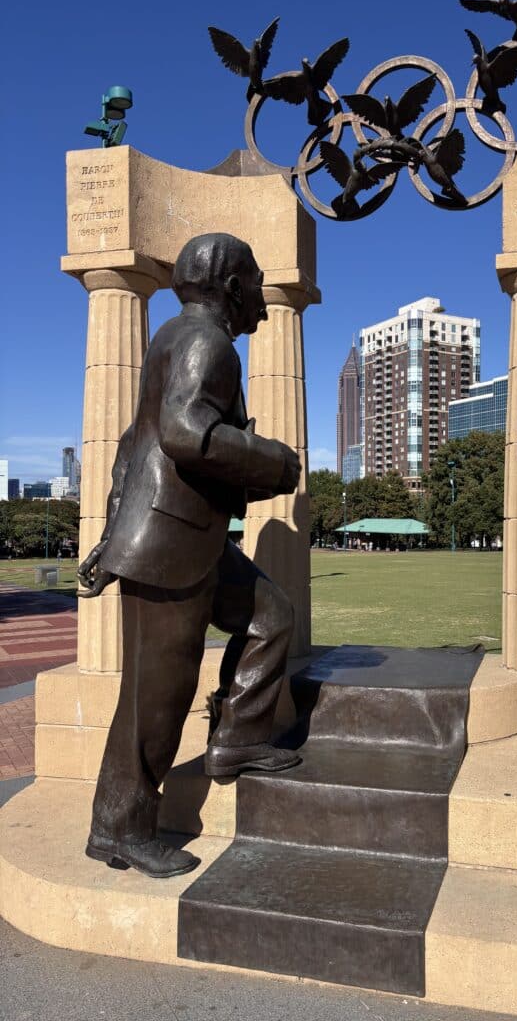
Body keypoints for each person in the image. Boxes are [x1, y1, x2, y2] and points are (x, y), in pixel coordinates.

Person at [77, 232, 301, 880]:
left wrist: (110, 530)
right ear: (232, 286)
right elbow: (180, 432)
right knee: (157, 696)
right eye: (255, 281)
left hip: (181, 537)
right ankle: (118, 829)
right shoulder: (209, 343)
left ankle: (239, 740)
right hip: (168, 548)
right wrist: (274, 460)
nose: (262, 294)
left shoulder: (173, 338)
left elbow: (132, 443)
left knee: (270, 616)